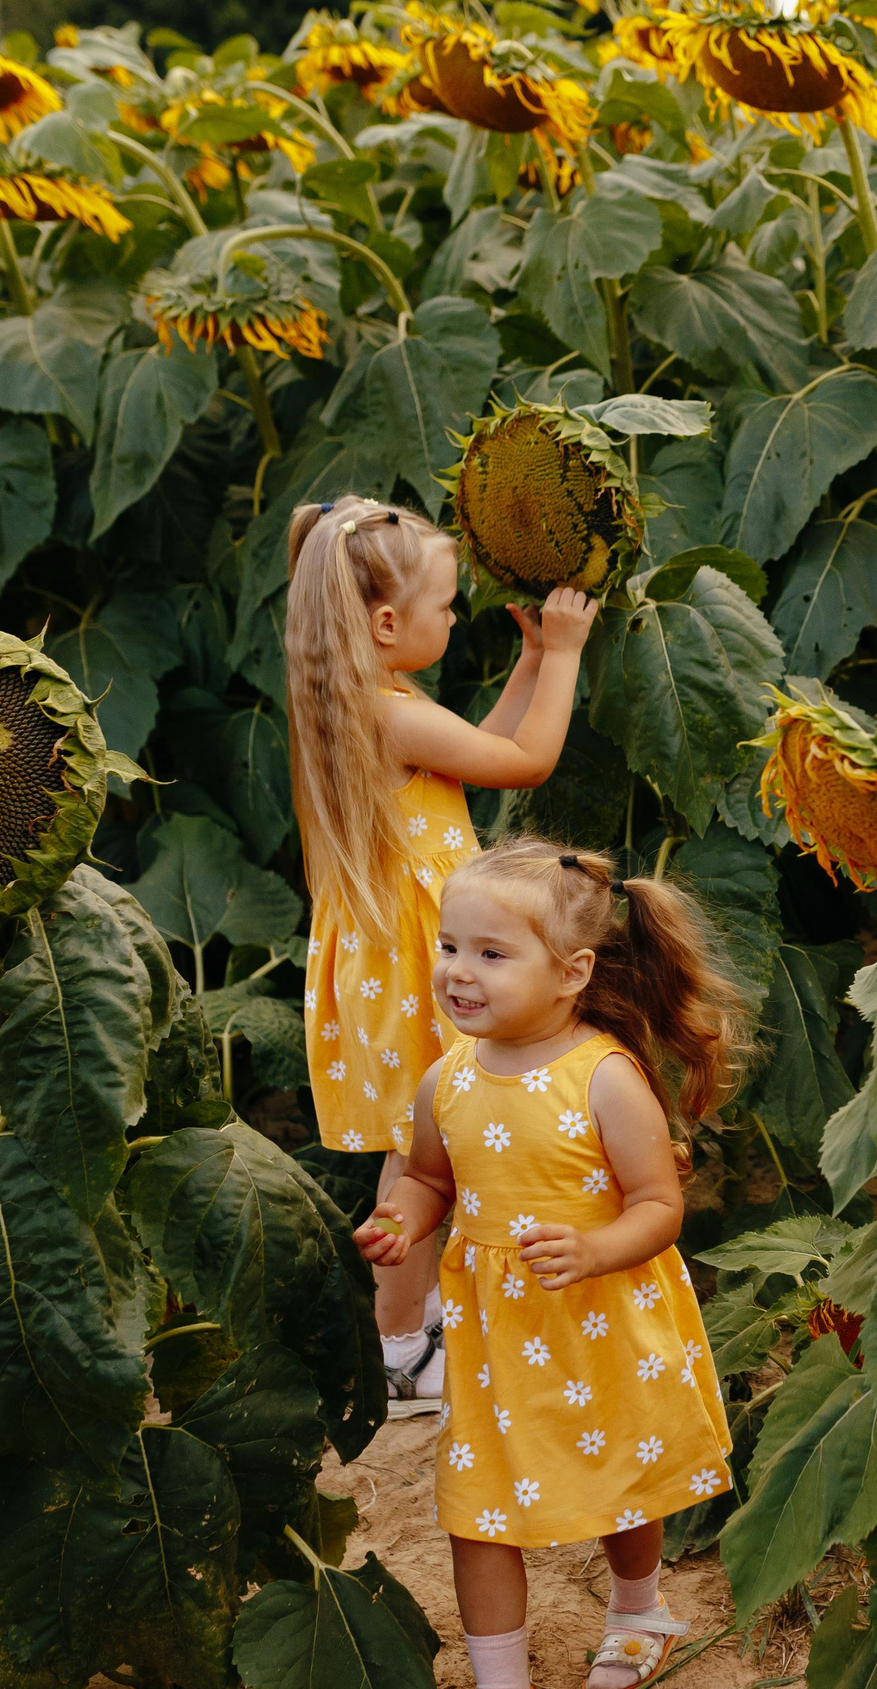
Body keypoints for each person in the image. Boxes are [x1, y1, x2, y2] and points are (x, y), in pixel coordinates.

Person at [354, 836, 747, 1689]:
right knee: (476, 1507)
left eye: (492, 953)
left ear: (572, 971)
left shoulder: (601, 1077)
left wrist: (594, 1247)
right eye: (451, 946)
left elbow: (658, 1205)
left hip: (599, 1323)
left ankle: (640, 1611)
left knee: (620, 1480)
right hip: (497, 1338)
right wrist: (399, 1221)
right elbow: (428, 1178)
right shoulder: (445, 1080)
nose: (459, 970)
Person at [286, 495, 597, 1414]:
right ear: (387, 624)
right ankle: (398, 1348)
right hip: (418, 960)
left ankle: (406, 1334)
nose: (455, 618)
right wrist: (569, 654)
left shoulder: (370, 698)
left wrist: (533, 657)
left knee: (421, 1152)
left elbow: (482, 749)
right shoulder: (387, 713)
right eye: (446, 606)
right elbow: (528, 760)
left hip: (402, 954)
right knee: (420, 1157)